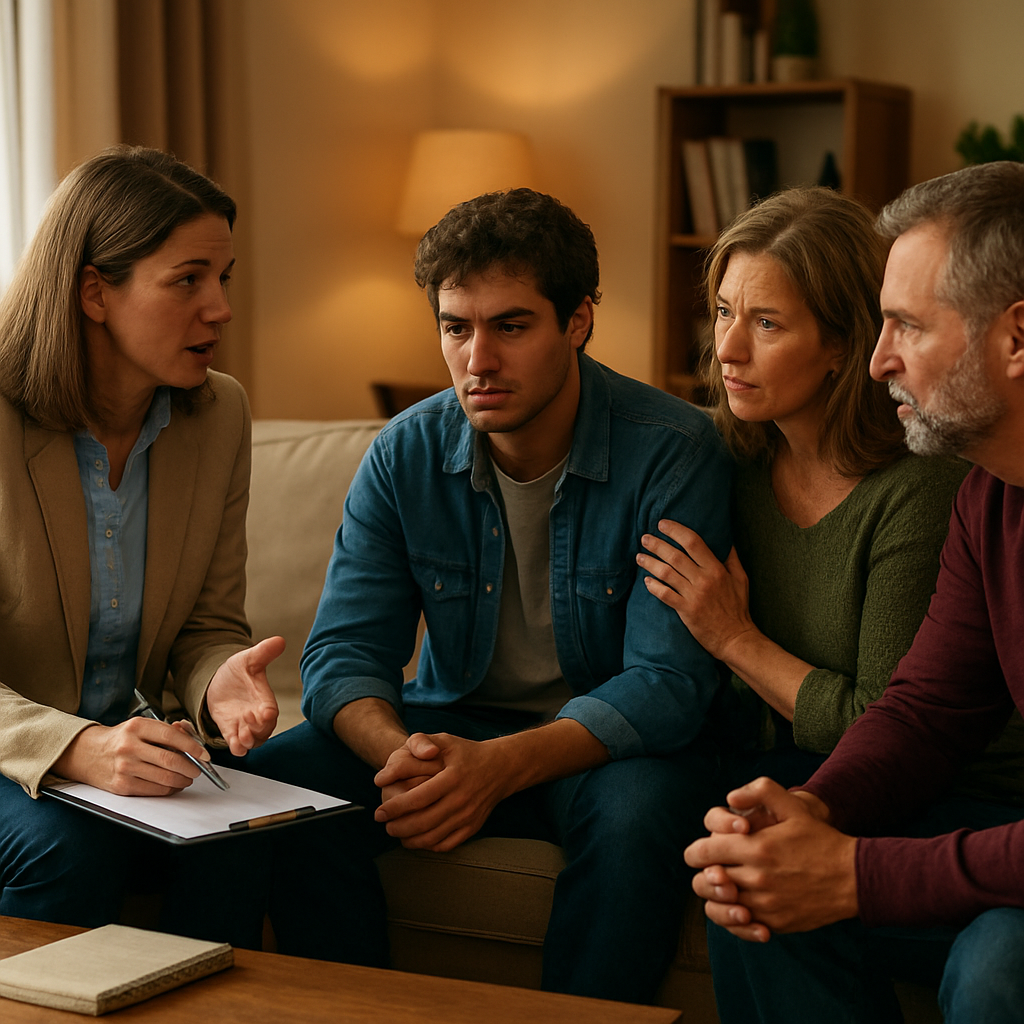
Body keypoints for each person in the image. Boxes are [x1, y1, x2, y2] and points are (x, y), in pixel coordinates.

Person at [265, 187, 732, 1002]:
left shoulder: (674, 450)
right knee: (276, 781)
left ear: (578, 321)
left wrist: (497, 769)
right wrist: (406, 758)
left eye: (510, 326)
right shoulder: (402, 454)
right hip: (452, 724)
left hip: (599, 747)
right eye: (456, 327)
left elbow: (668, 683)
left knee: (638, 817)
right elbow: (342, 654)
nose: (478, 360)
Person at [684, 160, 1024, 1024]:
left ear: (1017, 339)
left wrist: (854, 871)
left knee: (998, 972)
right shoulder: (992, 494)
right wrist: (809, 811)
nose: (879, 363)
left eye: (907, 325)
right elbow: (923, 710)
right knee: (755, 885)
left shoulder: (931, 489)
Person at [0, 145, 287, 948]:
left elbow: (205, 625)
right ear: (95, 292)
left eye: (223, 279)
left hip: (115, 758)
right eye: (188, 279)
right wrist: (77, 748)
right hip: (15, 758)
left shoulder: (218, 413)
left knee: (244, 839)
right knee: (70, 848)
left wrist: (218, 680)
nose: (221, 308)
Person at [636, 187, 968, 788]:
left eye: (767, 323)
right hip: (753, 762)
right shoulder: (720, 451)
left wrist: (733, 636)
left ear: (842, 345)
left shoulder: (919, 489)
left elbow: (883, 728)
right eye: (722, 311)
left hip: (925, 789)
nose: (728, 349)